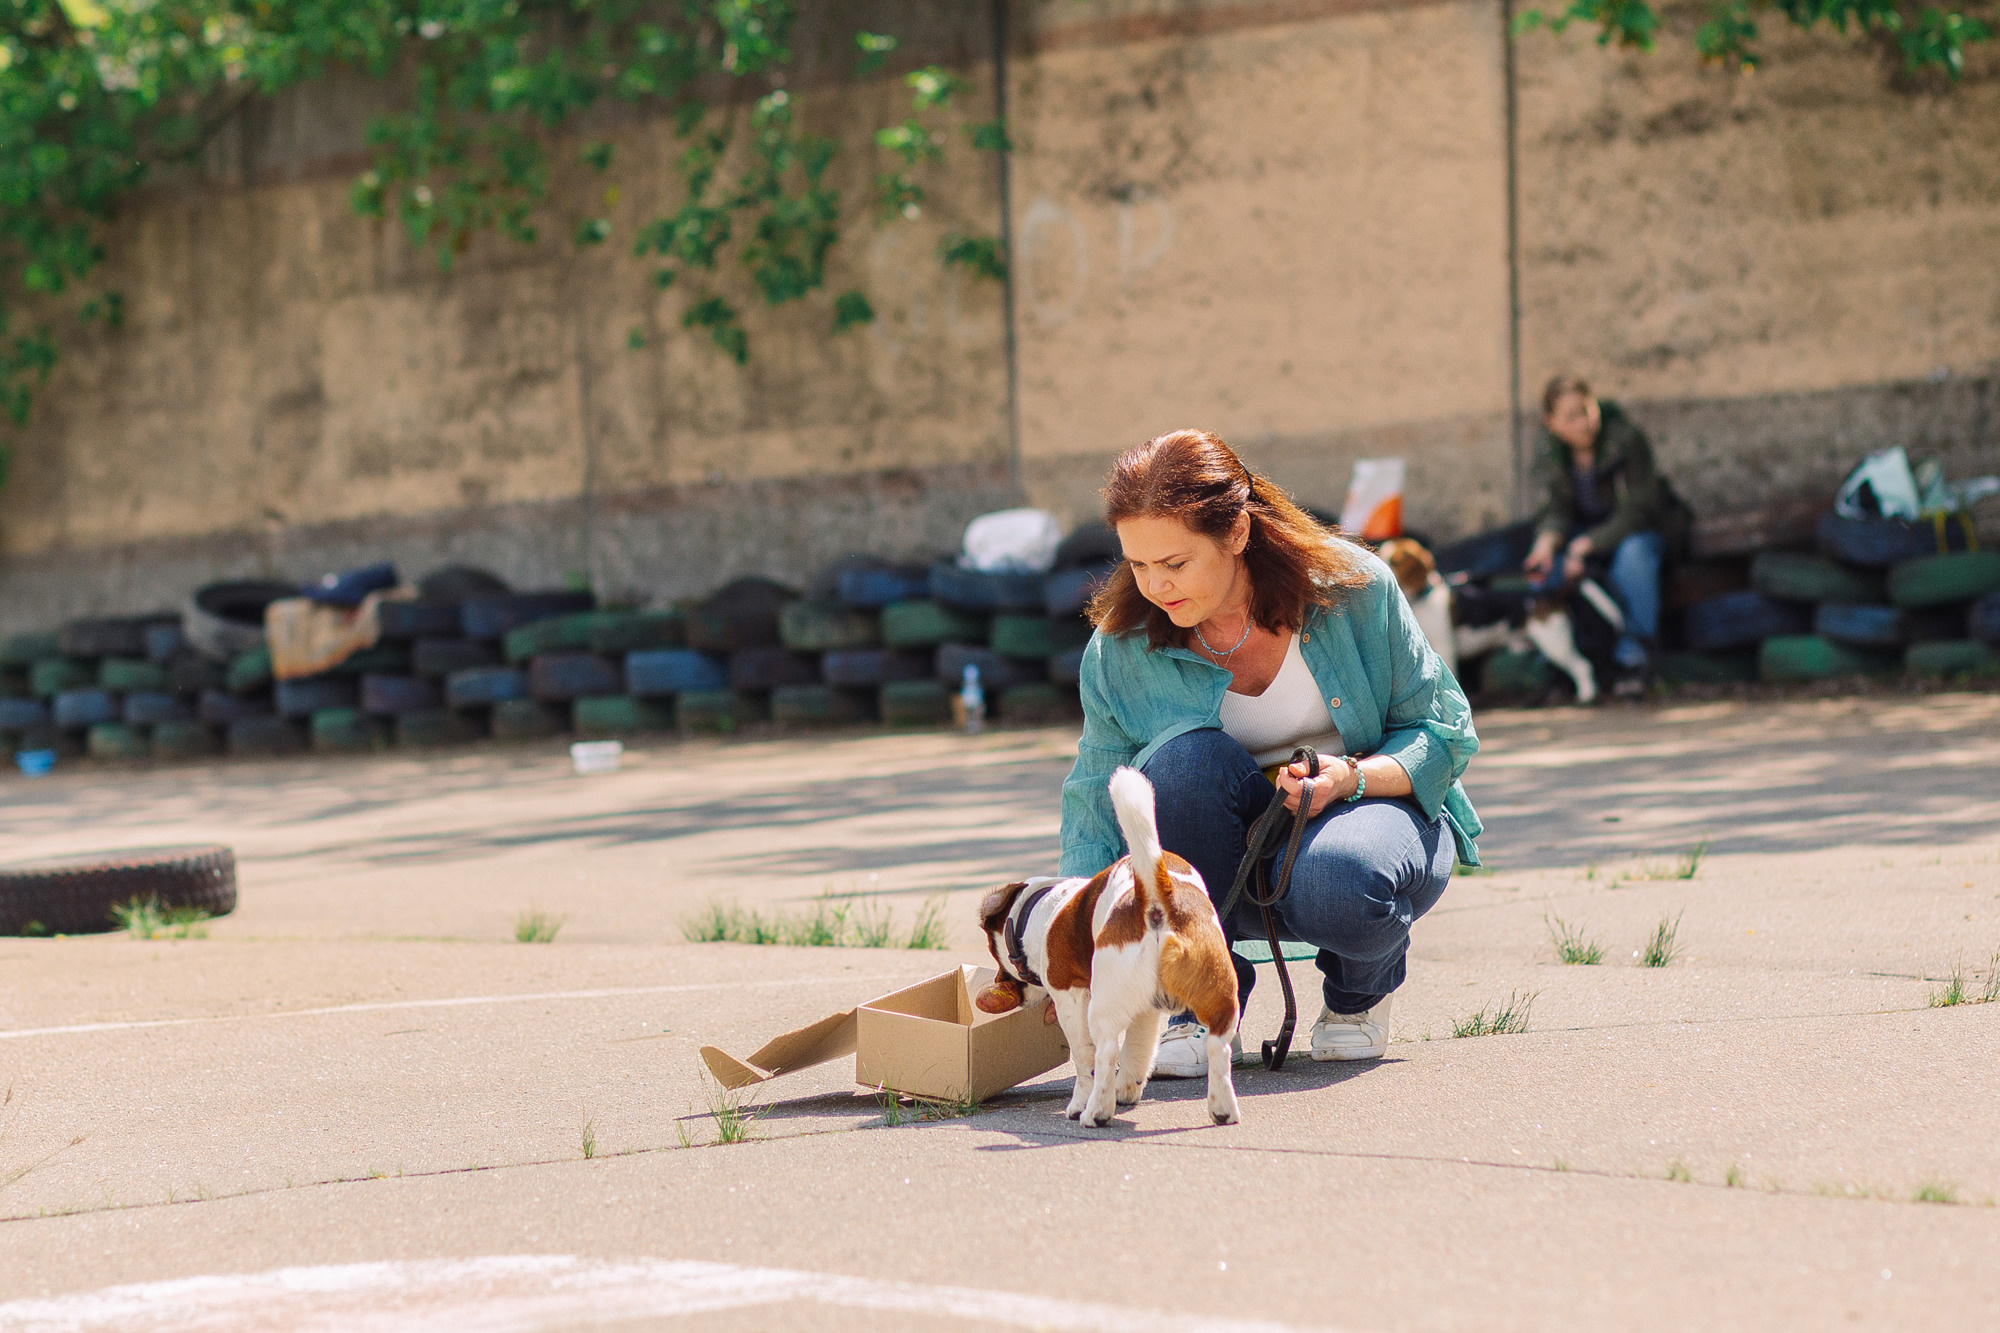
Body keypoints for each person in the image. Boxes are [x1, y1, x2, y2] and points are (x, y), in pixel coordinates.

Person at [1061, 429, 1482, 1080]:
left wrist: (1350, 778)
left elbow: (1441, 729)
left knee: (1342, 880)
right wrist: (1074, 946)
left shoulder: (1352, 588)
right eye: (1138, 565)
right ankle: (1202, 1002)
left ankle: (1357, 994)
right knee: (1176, 767)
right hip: (1229, 854)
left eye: (1174, 563)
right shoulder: (1120, 649)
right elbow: (1096, 794)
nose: (1155, 586)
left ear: (1235, 533)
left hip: (1367, 823)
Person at [1525, 376, 1691, 692]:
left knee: (1633, 557)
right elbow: (1554, 509)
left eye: (1587, 410)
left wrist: (1588, 545)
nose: (1584, 423)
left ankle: (1633, 659)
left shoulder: (1625, 439)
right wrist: (1545, 544)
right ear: (1552, 423)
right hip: (1584, 538)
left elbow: (1640, 508)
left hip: (1641, 531)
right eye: (1571, 417)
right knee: (1547, 571)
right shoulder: (1550, 454)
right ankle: (1566, 666)